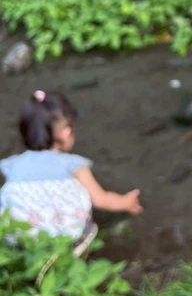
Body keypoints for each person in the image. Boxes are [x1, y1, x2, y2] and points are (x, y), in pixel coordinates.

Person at [0, 90, 142, 254]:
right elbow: (101, 200)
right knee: (88, 222)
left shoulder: (12, 165)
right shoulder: (74, 164)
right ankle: (71, 254)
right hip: (65, 245)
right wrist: (127, 202)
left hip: (21, 246)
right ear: (66, 131)